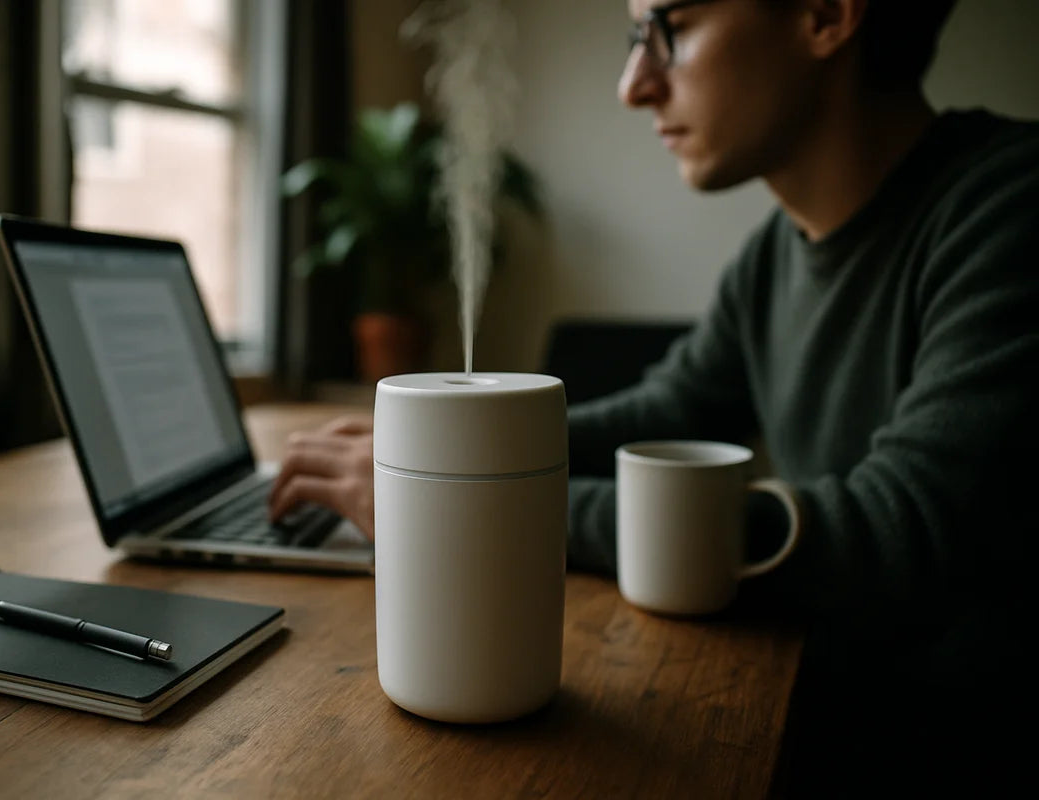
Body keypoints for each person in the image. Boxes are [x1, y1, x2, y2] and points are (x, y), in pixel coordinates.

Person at [271, 0, 1039, 790]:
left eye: (669, 27)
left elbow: (893, 531)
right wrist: (452, 449)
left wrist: (484, 509)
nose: (633, 85)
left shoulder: (1010, 211)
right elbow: (666, 410)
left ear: (825, 14)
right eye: (633, 39)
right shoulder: (774, 258)